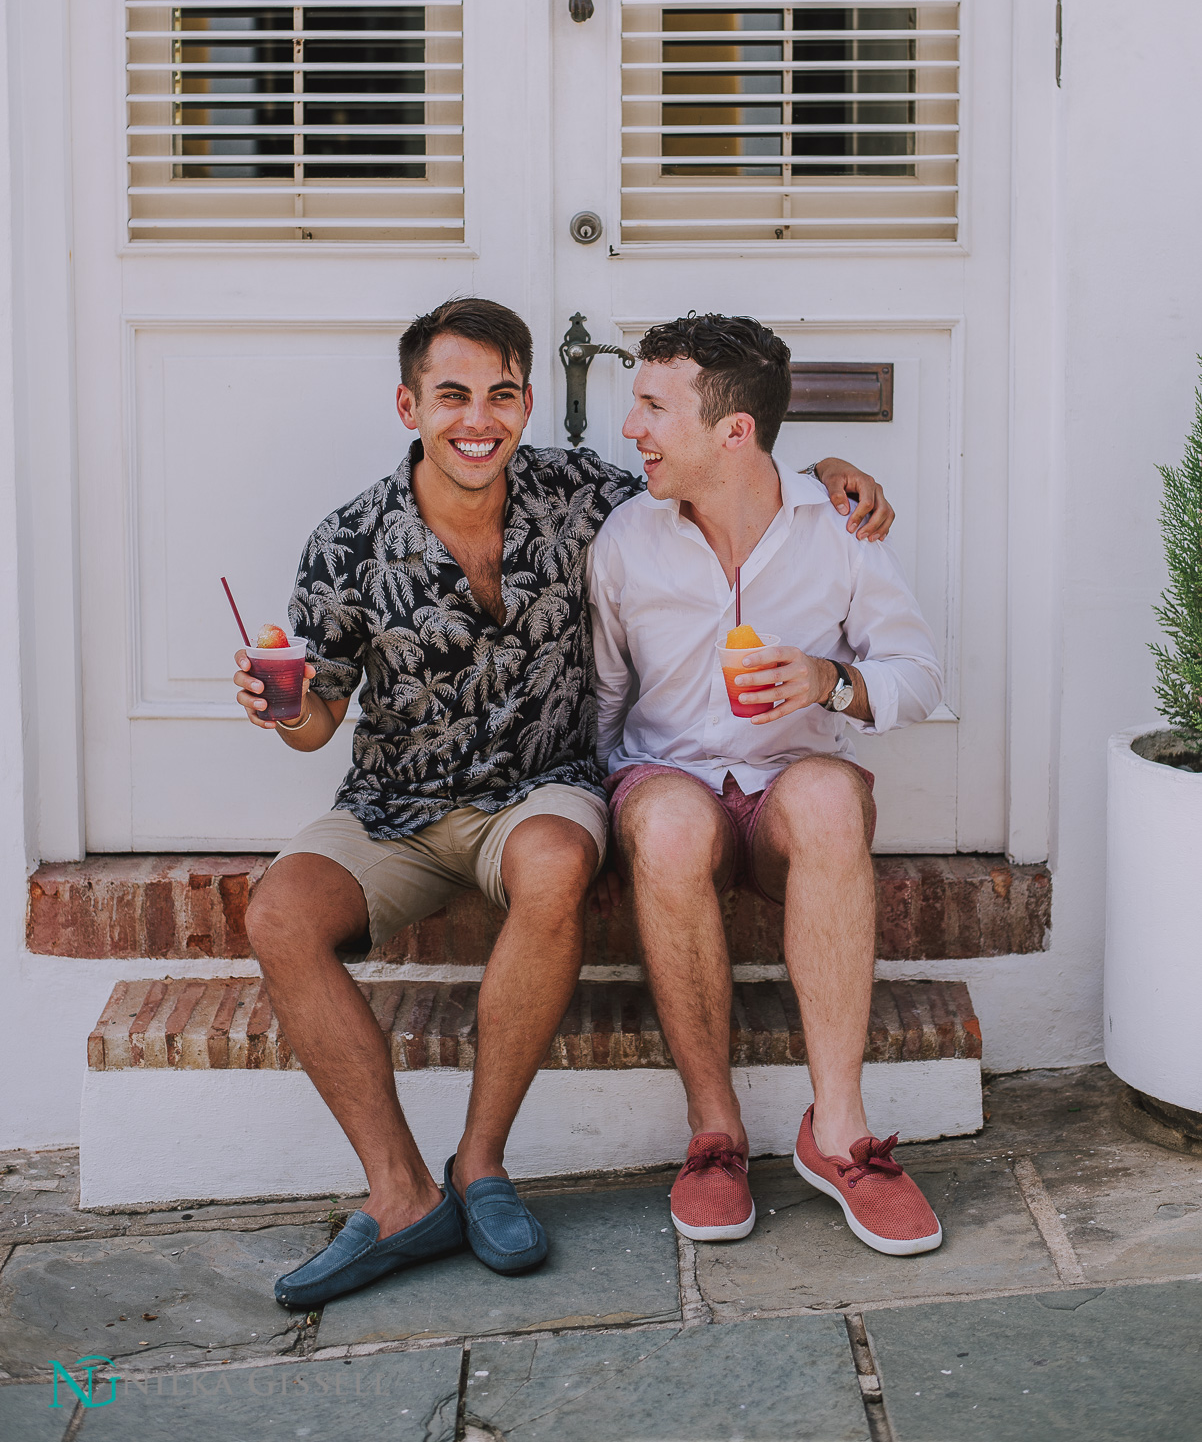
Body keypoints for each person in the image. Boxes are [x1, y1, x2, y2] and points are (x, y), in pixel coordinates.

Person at [234, 297, 894, 1306]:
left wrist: (827, 479)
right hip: (393, 802)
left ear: (527, 401)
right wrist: (276, 706)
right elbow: (318, 717)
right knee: (278, 914)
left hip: (539, 789)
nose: (477, 421)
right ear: (407, 403)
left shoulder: (578, 493)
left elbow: (719, 467)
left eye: (501, 395)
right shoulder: (348, 542)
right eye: (451, 396)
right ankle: (402, 1193)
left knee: (552, 862)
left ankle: (481, 1165)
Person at [589, 313, 946, 1257]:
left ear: (733, 432)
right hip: (674, 788)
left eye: (655, 408)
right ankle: (715, 1136)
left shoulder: (840, 527)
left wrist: (834, 681)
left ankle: (841, 1136)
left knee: (831, 795)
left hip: (790, 791)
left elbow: (918, 671)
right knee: (663, 822)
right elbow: (603, 700)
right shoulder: (626, 537)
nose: (633, 428)